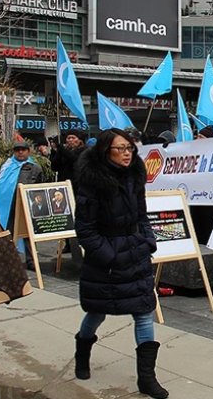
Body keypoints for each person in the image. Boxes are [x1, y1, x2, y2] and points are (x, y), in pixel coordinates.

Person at [71, 128, 168, 399]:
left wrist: (147, 241)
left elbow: (142, 214)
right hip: (106, 260)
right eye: (121, 149)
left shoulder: (136, 174)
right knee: (97, 311)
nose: (127, 153)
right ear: (105, 151)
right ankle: (82, 352)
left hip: (136, 252)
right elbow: (85, 230)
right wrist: (110, 256)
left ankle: (147, 379)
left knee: (144, 312)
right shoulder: (91, 182)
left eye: (130, 148)